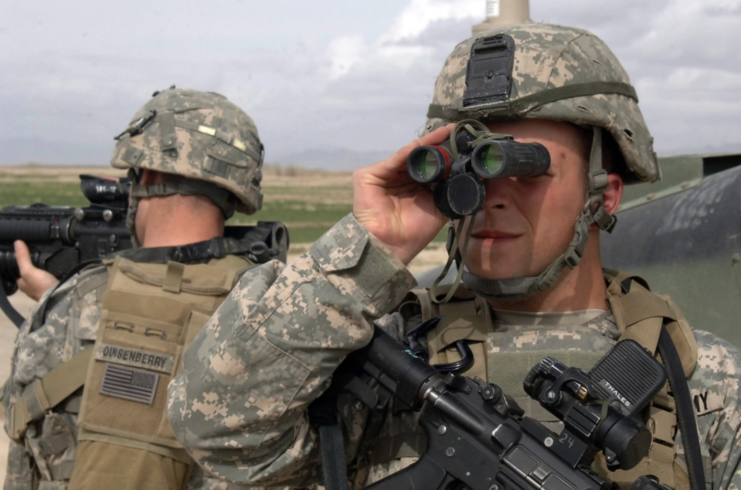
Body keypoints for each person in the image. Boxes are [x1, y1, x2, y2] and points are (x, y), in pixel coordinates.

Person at [167, 24, 741, 490]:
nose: (492, 193)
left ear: (604, 193)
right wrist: (374, 247)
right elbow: (212, 429)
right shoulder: (372, 342)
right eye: (473, 162)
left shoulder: (699, 378)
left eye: (525, 165)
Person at [1, 87, 278, 490]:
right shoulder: (275, 303)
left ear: (146, 174)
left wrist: (55, 302)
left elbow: (26, 447)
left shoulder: (70, 307)